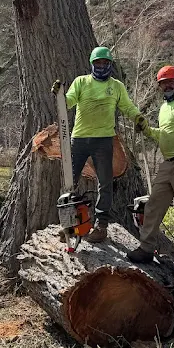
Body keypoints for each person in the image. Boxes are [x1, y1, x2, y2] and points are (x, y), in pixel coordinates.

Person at [59, 46, 146, 243]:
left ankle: (101, 226)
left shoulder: (116, 86)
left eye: (105, 63)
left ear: (110, 64)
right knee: (69, 181)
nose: (101, 66)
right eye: (98, 62)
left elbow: (127, 106)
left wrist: (138, 117)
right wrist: (59, 95)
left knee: (105, 183)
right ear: (92, 64)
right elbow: (68, 102)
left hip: (104, 140)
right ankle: (70, 224)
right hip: (79, 138)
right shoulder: (81, 82)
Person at [127, 65, 174, 273]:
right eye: (163, 83)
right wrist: (147, 129)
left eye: (170, 82)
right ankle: (146, 247)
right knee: (153, 204)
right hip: (168, 162)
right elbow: (163, 134)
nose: (167, 85)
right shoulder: (164, 108)